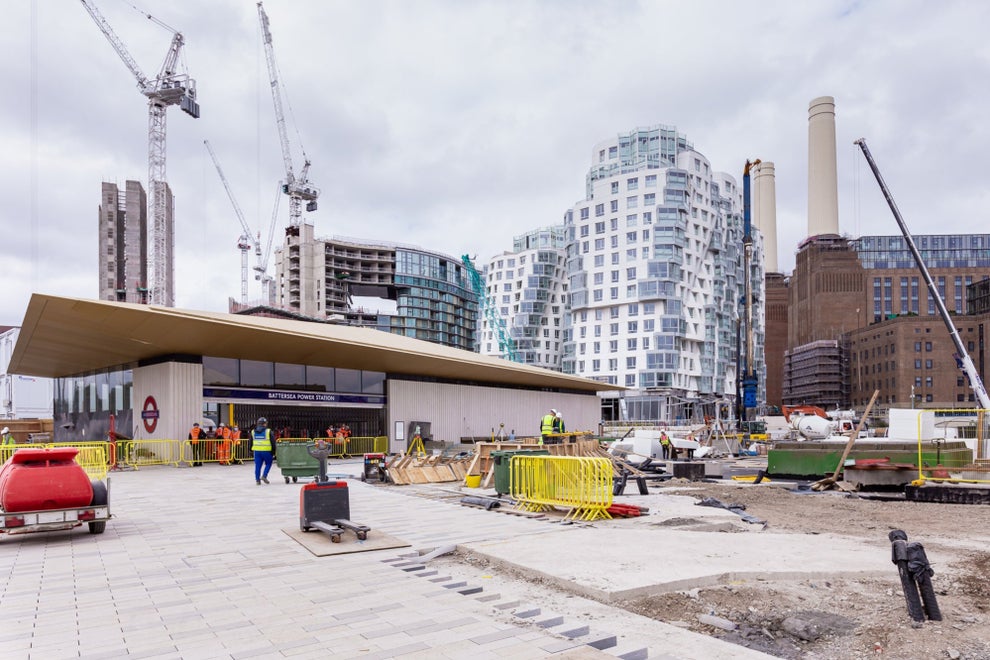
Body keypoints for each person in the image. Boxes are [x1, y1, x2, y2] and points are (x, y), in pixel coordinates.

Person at [251, 417, 274, 485]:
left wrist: (250, 450)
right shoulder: (268, 431)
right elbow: (273, 442)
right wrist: (274, 451)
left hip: (257, 451)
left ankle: (257, 480)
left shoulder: (253, 431)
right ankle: (264, 476)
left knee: (257, 466)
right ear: (264, 424)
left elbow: (250, 442)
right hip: (267, 451)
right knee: (269, 463)